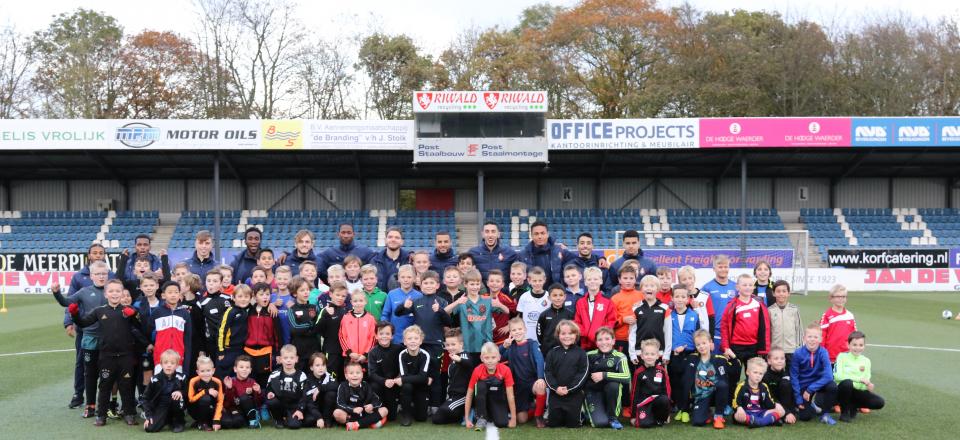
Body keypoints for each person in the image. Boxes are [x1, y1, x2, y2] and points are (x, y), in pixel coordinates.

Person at [69, 278, 147, 426]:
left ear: (122, 293)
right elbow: (83, 323)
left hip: (126, 356)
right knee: (105, 385)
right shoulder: (99, 311)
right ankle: (101, 416)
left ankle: (129, 413)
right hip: (106, 356)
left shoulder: (127, 310)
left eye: (118, 291)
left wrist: (134, 316)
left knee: (126, 385)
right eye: (111, 291)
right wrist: (75, 314)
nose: (115, 294)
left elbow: (140, 326)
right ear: (106, 294)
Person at [53, 261, 109, 416]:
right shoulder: (84, 292)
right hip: (90, 338)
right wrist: (57, 293)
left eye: (104, 273)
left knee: (108, 374)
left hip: (109, 338)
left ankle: (108, 406)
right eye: (98, 274)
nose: (101, 276)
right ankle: (90, 406)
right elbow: (66, 302)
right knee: (90, 374)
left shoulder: (113, 291)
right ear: (91, 276)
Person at [64, 244, 115, 409]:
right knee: (82, 364)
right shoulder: (79, 277)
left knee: (109, 366)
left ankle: (107, 402)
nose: (98, 255)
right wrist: (69, 321)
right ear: (89, 255)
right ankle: (79, 394)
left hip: (107, 332)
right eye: (95, 253)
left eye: (101, 253)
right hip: (86, 330)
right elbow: (71, 301)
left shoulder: (111, 275)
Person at [396, 270, 451, 411]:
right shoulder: (416, 301)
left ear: (437, 285)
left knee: (435, 375)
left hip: (435, 344)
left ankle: (435, 405)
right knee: (420, 375)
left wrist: (440, 311)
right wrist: (404, 306)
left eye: (432, 283)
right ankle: (419, 404)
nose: (428, 285)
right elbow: (398, 312)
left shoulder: (442, 301)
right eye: (425, 283)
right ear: (420, 285)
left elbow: (449, 322)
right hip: (418, 345)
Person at [719, 273, 772, 383]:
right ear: (737, 287)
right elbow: (724, 327)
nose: (747, 287)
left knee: (753, 378)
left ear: (754, 287)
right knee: (733, 377)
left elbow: (765, 327)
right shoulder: (732, 305)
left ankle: (750, 400)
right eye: (744, 285)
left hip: (753, 347)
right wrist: (726, 347)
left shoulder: (759, 304)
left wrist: (764, 348)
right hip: (735, 348)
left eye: (750, 285)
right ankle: (732, 399)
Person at [679, 329, 733, 429]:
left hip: (716, 394)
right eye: (698, 344)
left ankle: (718, 416)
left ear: (710, 342)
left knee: (722, 384)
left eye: (704, 343)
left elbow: (735, 371)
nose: (702, 346)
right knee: (697, 422)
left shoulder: (719, 359)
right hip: (701, 396)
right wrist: (677, 354)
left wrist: (733, 357)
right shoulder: (692, 358)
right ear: (695, 346)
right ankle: (706, 412)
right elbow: (678, 369)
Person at [499, 318, 547, 427]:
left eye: (520, 329)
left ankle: (538, 416)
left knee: (540, 386)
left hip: (532, 383)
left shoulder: (532, 344)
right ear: (510, 333)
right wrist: (503, 346)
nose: (517, 332)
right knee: (522, 420)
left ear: (525, 330)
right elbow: (496, 357)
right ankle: (535, 407)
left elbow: (539, 360)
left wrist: (540, 377)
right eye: (514, 330)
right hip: (519, 387)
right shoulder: (510, 347)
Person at [447, 269, 506, 357]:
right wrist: (457, 302)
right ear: (465, 284)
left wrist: (500, 305)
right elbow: (445, 311)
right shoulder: (462, 301)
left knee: (483, 370)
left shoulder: (487, 300)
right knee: (468, 370)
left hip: (486, 345)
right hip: (467, 346)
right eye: (472, 284)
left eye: (477, 284)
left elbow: (507, 311)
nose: (475, 287)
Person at [665, 284, 707, 407]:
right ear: (672, 298)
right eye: (677, 296)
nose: (680, 299)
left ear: (688, 299)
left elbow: (698, 335)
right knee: (674, 379)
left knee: (687, 380)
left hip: (690, 354)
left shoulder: (694, 315)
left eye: (683, 297)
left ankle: (687, 406)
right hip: (674, 354)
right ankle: (676, 404)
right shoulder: (669, 315)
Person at [544, 320, 589, 428]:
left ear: (576, 335)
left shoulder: (581, 353)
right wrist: (556, 388)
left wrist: (570, 389)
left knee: (572, 424)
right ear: (558, 335)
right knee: (553, 424)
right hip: (556, 394)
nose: (567, 336)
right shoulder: (552, 352)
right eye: (563, 333)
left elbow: (583, 373)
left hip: (574, 394)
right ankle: (549, 411)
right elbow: (548, 372)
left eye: (570, 333)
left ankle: (581, 413)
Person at [583, 327, 630, 430]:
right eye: (600, 339)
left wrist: (604, 375)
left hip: (610, 392)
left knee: (614, 385)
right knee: (600, 423)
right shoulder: (589, 355)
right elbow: (581, 376)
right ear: (596, 342)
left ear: (613, 341)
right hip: (594, 392)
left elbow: (627, 377)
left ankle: (613, 418)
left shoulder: (620, 356)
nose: (604, 342)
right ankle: (585, 412)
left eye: (607, 339)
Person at [792, 323, 838, 425]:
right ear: (804, 338)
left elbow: (829, 376)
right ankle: (812, 406)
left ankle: (825, 414)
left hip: (818, 384)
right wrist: (798, 398)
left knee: (832, 386)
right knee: (805, 417)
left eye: (815, 337)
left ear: (820, 339)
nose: (812, 339)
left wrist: (810, 389)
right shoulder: (798, 353)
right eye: (809, 336)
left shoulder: (823, 352)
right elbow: (794, 377)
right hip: (804, 386)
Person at [464, 342, 517, 430]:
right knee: (481, 385)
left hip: (497, 399)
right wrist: (466, 419)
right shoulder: (477, 370)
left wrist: (514, 419)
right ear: (481, 358)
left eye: (493, 357)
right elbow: (469, 394)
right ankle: (481, 417)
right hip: (482, 399)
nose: (490, 361)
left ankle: (492, 413)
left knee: (502, 423)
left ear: (499, 357)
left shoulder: (506, 370)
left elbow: (510, 395)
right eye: (487, 358)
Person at [834, 331, 885, 422]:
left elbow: (865, 382)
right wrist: (859, 379)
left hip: (857, 391)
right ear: (848, 345)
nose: (857, 348)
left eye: (861, 345)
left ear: (864, 346)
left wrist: (868, 385)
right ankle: (844, 413)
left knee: (880, 402)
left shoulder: (866, 361)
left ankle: (853, 405)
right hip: (842, 391)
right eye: (854, 345)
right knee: (847, 383)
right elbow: (837, 376)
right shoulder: (841, 357)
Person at [145, 281, 193, 376]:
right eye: (170, 292)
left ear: (180, 294)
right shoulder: (157, 312)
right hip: (160, 357)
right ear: (163, 295)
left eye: (176, 292)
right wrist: (150, 344)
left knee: (176, 387)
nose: (173, 295)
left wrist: (186, 358)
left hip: (178, 357)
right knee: (160, 386)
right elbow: (148, 331)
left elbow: (188, 338)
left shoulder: (185, 313)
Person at [432, 329, 478, 425]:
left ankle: (470, 411)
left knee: (438, 417)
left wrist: (460, 359)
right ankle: (461, 414)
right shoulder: (453, 357)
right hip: (453, 396)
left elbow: (469, 363)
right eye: (448, 345)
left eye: (453, 344)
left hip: (463, 396)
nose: (450, 347)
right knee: (437, 418)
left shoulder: (464, 355)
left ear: (461, 344)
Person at [244, 284, 281, 388]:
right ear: (255, 297)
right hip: (248, 351)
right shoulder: (249, 310)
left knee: (264, 381)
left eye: (267, 294)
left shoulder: (272, 311)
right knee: (250, 380)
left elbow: (277, 334)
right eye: (261, 294)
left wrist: (278, 353)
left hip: (266, 352)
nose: (265, 297)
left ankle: (264, 403)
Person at [142, 349, 187, 433]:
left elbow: (188, 392)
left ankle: (179, 422)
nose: (169, 365)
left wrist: (180, 392)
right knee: (149, 428)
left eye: (172, 363)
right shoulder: (154, 379)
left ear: (177, 365)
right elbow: (145, 398)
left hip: (176, 403)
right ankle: (167, 419)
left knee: (176, 397)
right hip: (161, 406)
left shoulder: (182, 377)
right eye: (166, 363)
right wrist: (149, 416)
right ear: (161, 364)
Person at [333, 361, 388, 430]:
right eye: (351, 373)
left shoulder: (366, 385)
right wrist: (353, 410)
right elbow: (339, 403)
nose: (355, 375)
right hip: (350, 415)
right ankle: (368, 423)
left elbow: (377, 401)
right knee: (337, 413)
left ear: (362, 375)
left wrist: (372, 406)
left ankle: (356, 424)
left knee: (384, 410)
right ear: (346, 376)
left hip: (365, 414)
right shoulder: (342, 386)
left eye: (358, 373)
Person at [628, 274, 671, 362]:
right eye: (646, 286)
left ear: (658, 289)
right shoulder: (635, 308)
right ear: (641, 289)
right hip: (640, 352)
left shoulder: (665, 308)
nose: (649, 288)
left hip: (658, 353)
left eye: (652, 286)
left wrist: (666, 354)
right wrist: (632, 354)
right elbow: (632, 333)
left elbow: (668, 333)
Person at [732, 357, 785, 427]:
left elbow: (769, 402)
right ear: (747, 372)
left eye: (760, 374)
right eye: (755, 372)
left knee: (782, 412)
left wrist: (776, 404)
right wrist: (739, 408)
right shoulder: (741, 386)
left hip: (761, 412)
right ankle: (768, 420)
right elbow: (735, 401)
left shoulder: (764, 386)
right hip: (746, 412)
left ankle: (756, 422)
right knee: (737, 416)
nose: (758, 376)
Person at [629, 339, 670, 428]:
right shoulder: (638, 372)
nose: (649, 357)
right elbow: (634, 394)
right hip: (644, 403)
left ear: (657, 356)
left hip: (658, 402)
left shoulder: (662, 371)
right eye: (646, 354)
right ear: (642, 356)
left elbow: (667, 391)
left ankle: (660, 419)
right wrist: (632, 416)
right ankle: (650, 418)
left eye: (652, 354)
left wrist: (667, 412)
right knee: (644, 424)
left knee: (664, 399)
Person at [266, 344, 309, 429]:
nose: (288, 360)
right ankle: (279, 420)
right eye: (285, 358)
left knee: (294, 425)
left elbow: (304, 395)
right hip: (280, 406)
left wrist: (300, 409)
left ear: (296, 359)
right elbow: (268, 389)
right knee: (271, 401)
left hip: (295, 406)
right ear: (281, 359)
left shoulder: (302, 375)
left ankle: (289, 419)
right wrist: (270, 393)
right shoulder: (274, 375)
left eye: (291, 358)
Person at [574, 266, 617, 350]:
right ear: (585, 282)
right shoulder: (580, 302)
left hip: (603, 344)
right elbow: (577, 322)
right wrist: (587, 333)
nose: (592, 282)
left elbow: (612, 321)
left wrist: (600, 336)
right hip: (585, 344)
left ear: (601, 281)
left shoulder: (607, 301)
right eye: (589, 279)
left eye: (595, 279)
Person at [367, 322, 403, 421]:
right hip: (380, 384)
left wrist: (399, 377)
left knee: (392, 418)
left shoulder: (399, 349)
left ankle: (398, 406)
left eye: (387, 334)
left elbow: (405, 365)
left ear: (392, 336)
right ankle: (377, 407)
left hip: (394, 384)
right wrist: (384, 381)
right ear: (376, 336)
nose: (384, 336)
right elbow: (371, 374)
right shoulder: (372, 352)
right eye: (381, 333)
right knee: (374, 385)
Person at [216, 284, 253, 378]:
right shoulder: (230, 311)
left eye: (246, 297)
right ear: (233, 297)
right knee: (224, 377)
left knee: (238, 377)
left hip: (242, 349)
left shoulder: (248, 310)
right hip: (228, 350)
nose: (243, 299)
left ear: (250, 298)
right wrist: (221, 351)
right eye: (240, 296)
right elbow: (221, 331)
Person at [397, 325, 431, 426]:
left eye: (416, 338)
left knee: (421, 418)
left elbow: (422, 377)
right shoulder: (402, 354)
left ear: (421, 341)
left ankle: (415, 406)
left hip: (421, 387)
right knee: (406, 386)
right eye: (409, 338)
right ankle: (406, 415)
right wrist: (422, 379)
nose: (413, 341)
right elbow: (404, 377)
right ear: (405, 341)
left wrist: (423, 379)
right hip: (408, 386)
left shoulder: (425, 355)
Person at [286, 277, 322, 371]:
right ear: (294, 293)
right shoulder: (291, 310)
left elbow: (318, 326)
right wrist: (310, 324)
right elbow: (295, 328)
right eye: (302, 290)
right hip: (299, 351)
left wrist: (307, 327)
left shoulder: (314, 308)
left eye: (307, 289)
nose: (306, 292)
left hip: (314, 349)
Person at [702, 254, 736, 353]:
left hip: (732, 334)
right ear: (714, 268)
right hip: (715, 334)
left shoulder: (736, 287)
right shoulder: (707, 288)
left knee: (732, 366)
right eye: (720, 267)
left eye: (726, 267)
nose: (723, 269)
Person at [339, 290, 378, 376]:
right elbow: (342, 337)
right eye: (355, 301)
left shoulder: (370, 319)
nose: (358, 303)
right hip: (350, 357)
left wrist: (366, 354)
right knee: (350, 379)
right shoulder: (346, 318)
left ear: (365, 302)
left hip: (364, 358)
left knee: (364, 380)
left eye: (361, 301)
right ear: (351, 302)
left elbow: (373, 338)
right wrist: (349, 353)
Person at [381, 265, 423, 344]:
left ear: (414, 279)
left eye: (409, 277)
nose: (406, 280)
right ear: (398, 279)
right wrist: (386, 331)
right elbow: (385, 315)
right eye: (403, 277)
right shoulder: (392, 294)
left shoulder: (419, 296)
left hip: (413, 340)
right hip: (395, 338)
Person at [317, 282, 351, 378]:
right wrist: (326, 316)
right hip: (331, 351)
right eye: (337, 295)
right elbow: (316, 330)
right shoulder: (325, 310)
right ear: (331, 294)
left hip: (345, 352)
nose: (340, 298)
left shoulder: (346, 311)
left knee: (343, 378)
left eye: (343, 296)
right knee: (331, 378)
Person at [220, 355, 263, 429]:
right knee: (230, 423)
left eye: (247, 367)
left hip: (249, 411)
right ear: (235, 369)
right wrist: (229, 389)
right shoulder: (230, 381)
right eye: (241, 367)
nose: (244, 369)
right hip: (235, 410)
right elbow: (227, 403)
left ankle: (253, 420)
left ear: (250, 370)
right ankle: (243, 420)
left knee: (244, 397)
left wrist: (258, 392)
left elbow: (258, 403)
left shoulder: (252, 382)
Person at [199, 269, 233, 362]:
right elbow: (200, 328)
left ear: (221, 283)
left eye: (215, 281)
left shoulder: (229, 299)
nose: (211, 283)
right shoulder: (201, 303)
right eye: (208, 281)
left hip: (228, 343)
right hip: (211, 344)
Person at [518, 221, 565, 285]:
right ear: (531, 235)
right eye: (536, 234)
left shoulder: (559, 250)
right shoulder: (523, 255)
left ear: (548, 234)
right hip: (533, 292)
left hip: (554, 292)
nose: (539, 236)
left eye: (542, 233)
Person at [611, 265, 643, 358]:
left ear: (635, 279)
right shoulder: (615, 298)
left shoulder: (641, 296)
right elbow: (611, 320)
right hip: (621, 339)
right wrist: (623, 320)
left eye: (631, 278)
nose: (628, 281)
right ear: (619, 280)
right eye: (625, 278)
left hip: (639, 338)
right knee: (622, 366)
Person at [821, 284, 857, 364]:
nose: (841, 299)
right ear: (831, 298)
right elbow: (822, 336)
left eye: (843, 296)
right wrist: (822, 354)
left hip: (847, 356)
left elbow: (854, 336)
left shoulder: (850, 315)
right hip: (831, 357)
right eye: (838, 296)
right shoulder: (827, 315)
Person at [187, 356, 225, 431]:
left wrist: (216, 420)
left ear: (213, 370)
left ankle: (209, 421)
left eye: (208, 370)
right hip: (196, 409)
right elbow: (191, 399)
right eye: (202, 371)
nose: (206, 374)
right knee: (205, 398)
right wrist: (205, 391)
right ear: (197, 372)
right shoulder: (193, 381)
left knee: (228, 423)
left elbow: (220, 401)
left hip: (212, 409)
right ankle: (202, 422)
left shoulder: (217, 382)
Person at [769, 280, 802, 365]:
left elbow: (798, 329)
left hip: (791, 349)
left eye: (784, 291)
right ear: (773, 293)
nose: (781, 294)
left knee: (791, 373)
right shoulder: (770, 310)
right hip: (775, 349)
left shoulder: (794, 309)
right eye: (778, 291)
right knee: (776, 373)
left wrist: (799, 347)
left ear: (788, 293)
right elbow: (768, 331)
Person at [302, 352, 339, 429]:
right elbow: (308, 402)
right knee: (308, 421)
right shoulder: (307, 380)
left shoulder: (328, 376)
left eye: (323, 365)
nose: (321, 368)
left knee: (331, 393)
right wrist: (318, 417)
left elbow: (337, 386)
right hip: (314, 409)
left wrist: (320, 388)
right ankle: (320, 420)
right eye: (317, 365)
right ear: (311, 367)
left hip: (326, 409)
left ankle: (327, 420)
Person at [537, 283, 575, 355]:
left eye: (561, 295)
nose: (558, 298)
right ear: (549, 298)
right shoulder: (544, 315)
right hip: (548, 351)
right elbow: (539, 334)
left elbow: (574, 332)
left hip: (566, 350)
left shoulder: (570, 314)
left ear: (565, 297)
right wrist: (546, 344)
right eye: (554, 295)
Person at [762, 346, 797, 424]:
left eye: (782, 358)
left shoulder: (787, 374)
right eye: (776, 359)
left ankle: (790, 412)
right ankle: (782, 415)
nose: (780, 361)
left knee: (786, 384)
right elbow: (770, 397)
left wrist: (792, 410)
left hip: (785, 404)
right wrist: (786, 412)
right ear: (769, 361)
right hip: (772, 403)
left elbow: (790, 393)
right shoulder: (765, 376)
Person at [369, 227, 410, 291]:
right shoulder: (375, 261)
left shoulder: (409, 260)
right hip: (381, 299)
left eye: (397, 237)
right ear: (385, 240)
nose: (393, 240)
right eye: (390, 237)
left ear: (402, 242)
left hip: (402, 299)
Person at [516, 267, 550, 341]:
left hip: (544, 338)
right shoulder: (524, 297)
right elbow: (519, 317)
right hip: (527, 337)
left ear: (544, 280)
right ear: (529, 280)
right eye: (534, 281)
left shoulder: (549, 297)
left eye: (540, 280)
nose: (537, 283)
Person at [485, 269, 517, 345]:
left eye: (498, 281)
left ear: (502, 284)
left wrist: (509, 326)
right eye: (492, 281)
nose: (494, 284)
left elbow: (517, 314)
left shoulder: (506, 299)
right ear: (487, 283)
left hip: (502, 339)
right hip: (486, 338)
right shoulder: (482, 298)